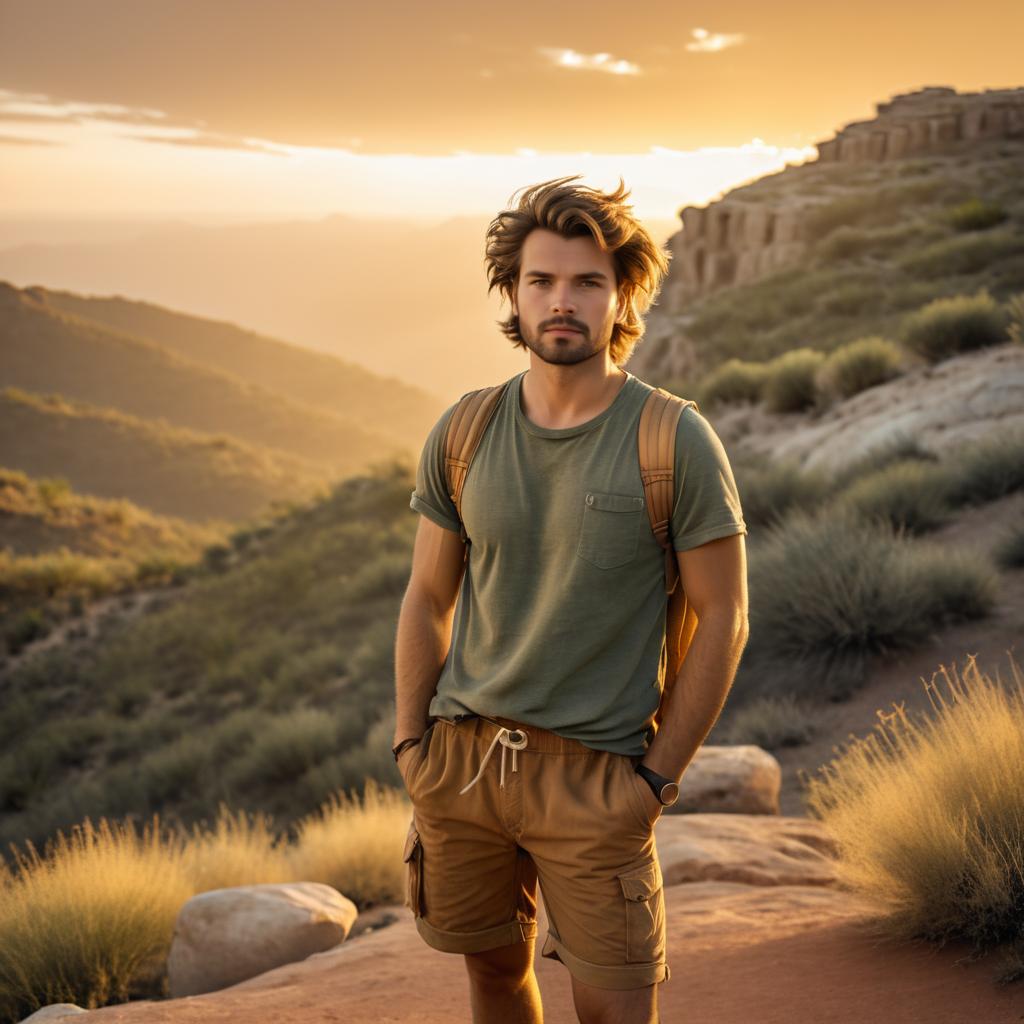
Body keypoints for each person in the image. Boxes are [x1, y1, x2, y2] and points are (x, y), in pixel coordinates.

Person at [393, 174, 749, 1024]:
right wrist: (413, 743)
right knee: (491, 977)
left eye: (588, 282)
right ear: (511, 295)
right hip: (464, 765)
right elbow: (427, 593)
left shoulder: (674, 438)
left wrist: (656, 781)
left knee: (614, 1012)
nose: (563, 301)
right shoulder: (465, 430)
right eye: (542, 281)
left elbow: (726, 618)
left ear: (622, 295)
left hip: (600, 779)